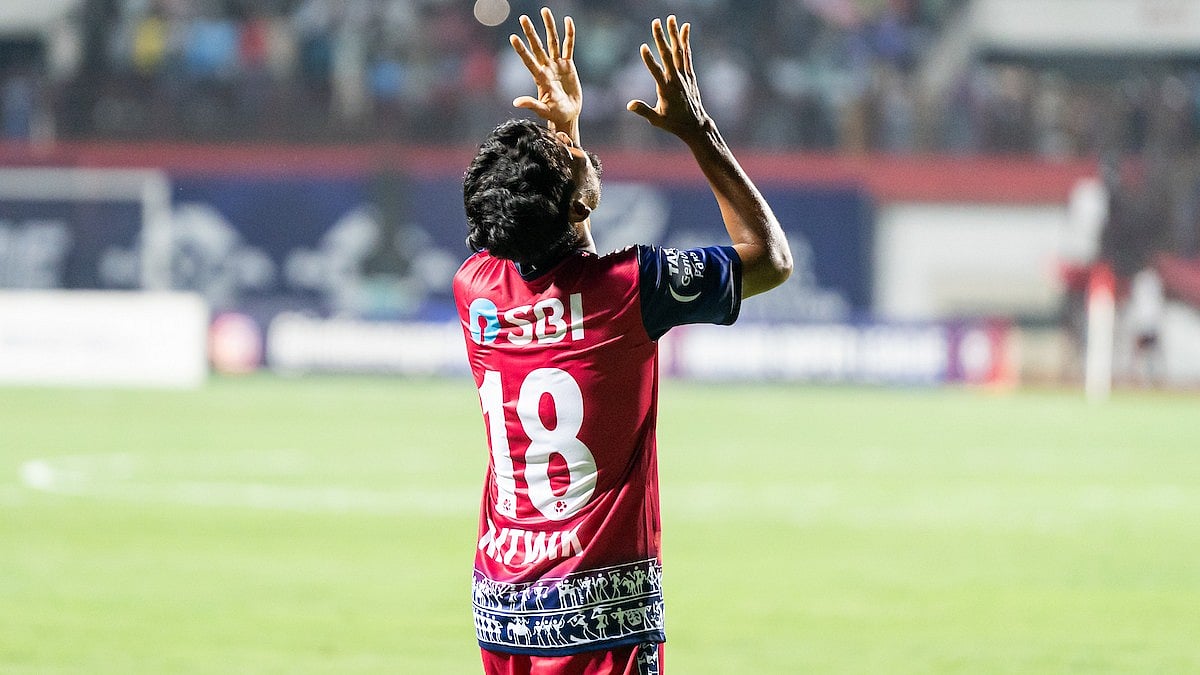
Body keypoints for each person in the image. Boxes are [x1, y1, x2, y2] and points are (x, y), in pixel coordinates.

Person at [454, 8, 792, 674]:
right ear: (578, 206)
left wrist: (564, 131)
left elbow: (560, 266)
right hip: (599, 614)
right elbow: (771, 257)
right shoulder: (636, 285)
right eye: (571, 159)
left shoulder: (475, 287)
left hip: (503, 608)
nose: (580, 152)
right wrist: (700, 132)